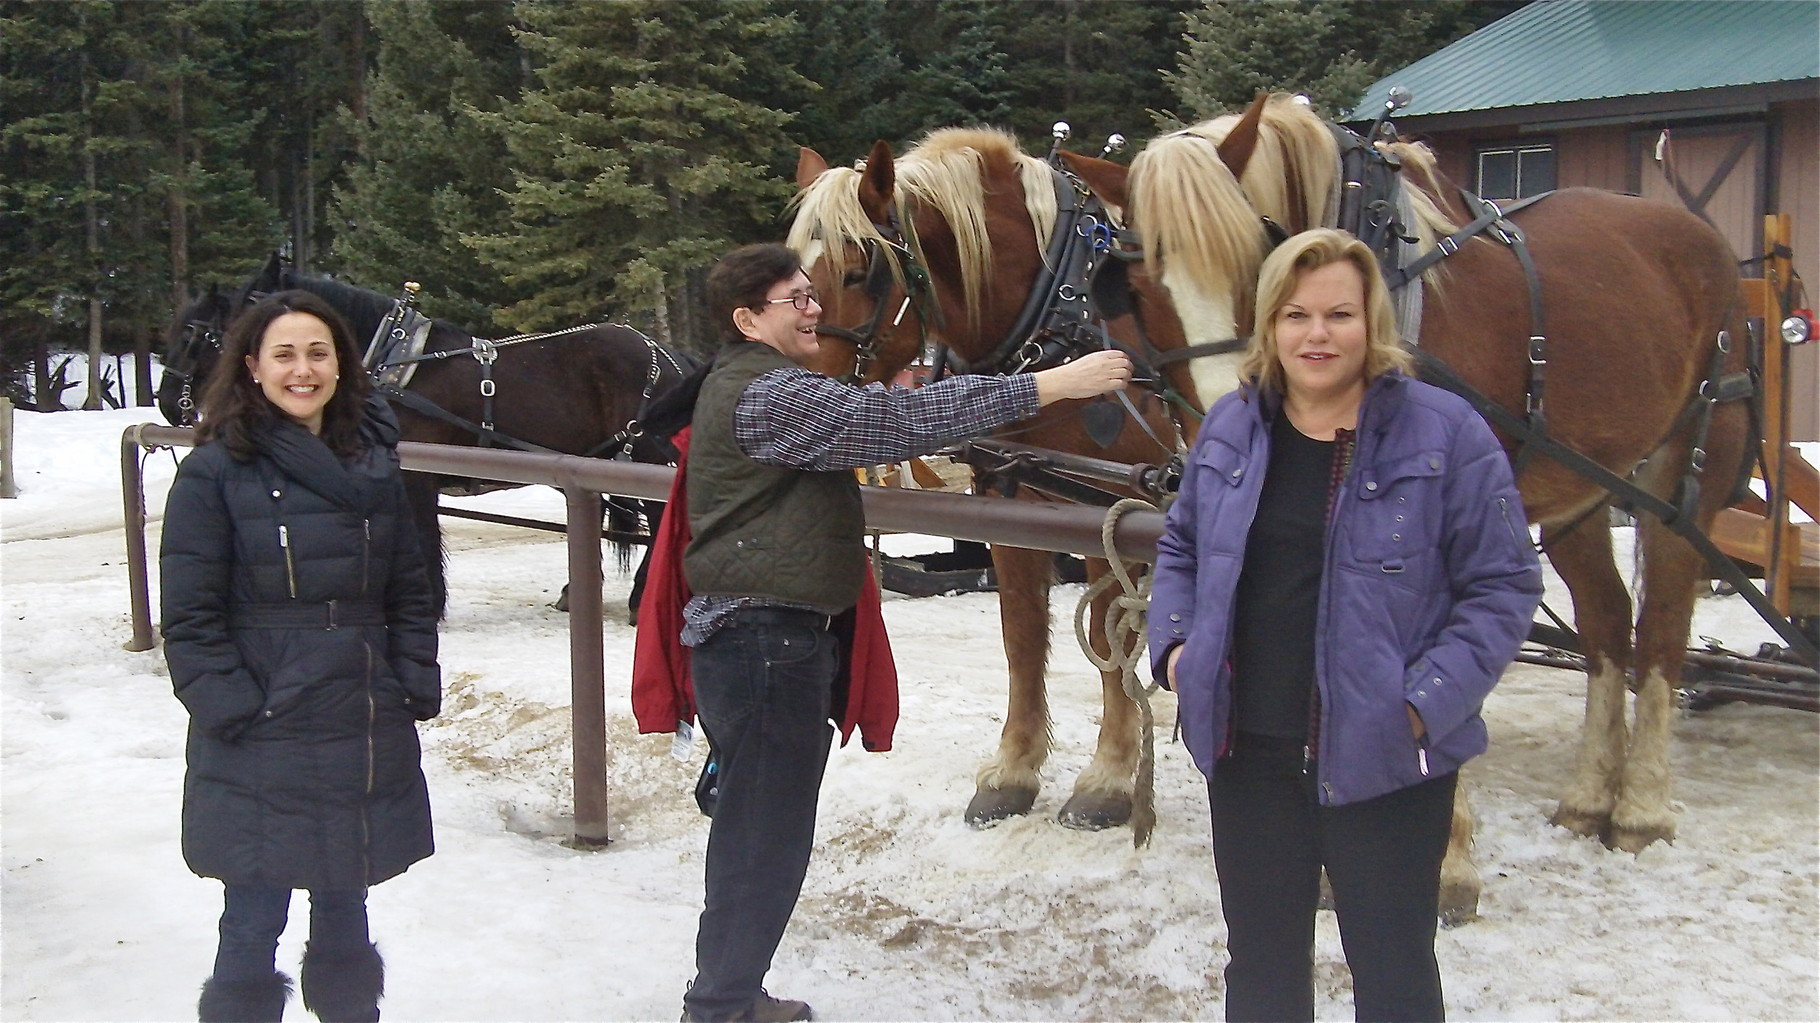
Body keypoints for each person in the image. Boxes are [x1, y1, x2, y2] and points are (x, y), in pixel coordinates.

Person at [648, 242, 1132, 1023]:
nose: (817, 309)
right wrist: (1051, 385)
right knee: (764, 836)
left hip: (758, 643)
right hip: (765, 645)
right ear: (747, 320)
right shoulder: (771, 394)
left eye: (814, 293)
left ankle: (727, 992)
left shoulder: (757, 383)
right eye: (796, 299)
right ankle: (724, 1002)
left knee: (758, 827)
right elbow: (896, 419)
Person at [1148, 228, 1542, 1022]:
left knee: (1393, 969)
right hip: (1248, 754)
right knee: (1259, 966)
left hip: (1388, 758)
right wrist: (1180, 651)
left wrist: (1423, 702)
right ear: (1269, 325)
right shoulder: (1231, 427)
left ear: (1374, 324)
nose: (1317, 334)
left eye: (1338, 314)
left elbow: (1503, 583)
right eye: (1296, 314)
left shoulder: (1446, 433)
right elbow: (1181, 545)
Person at [160, 290, 440, 1023]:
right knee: (254, 910)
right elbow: (189, 617)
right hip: (264, 725)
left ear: (343, 366)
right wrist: (232, 704)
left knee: (346, 900)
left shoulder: (376, 466)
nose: (303, 369)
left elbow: (410, 589)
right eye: (284, 354)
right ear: (252, 366)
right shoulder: (215, 472)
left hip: (359, 712)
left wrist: (410, 677)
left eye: (319, 353)